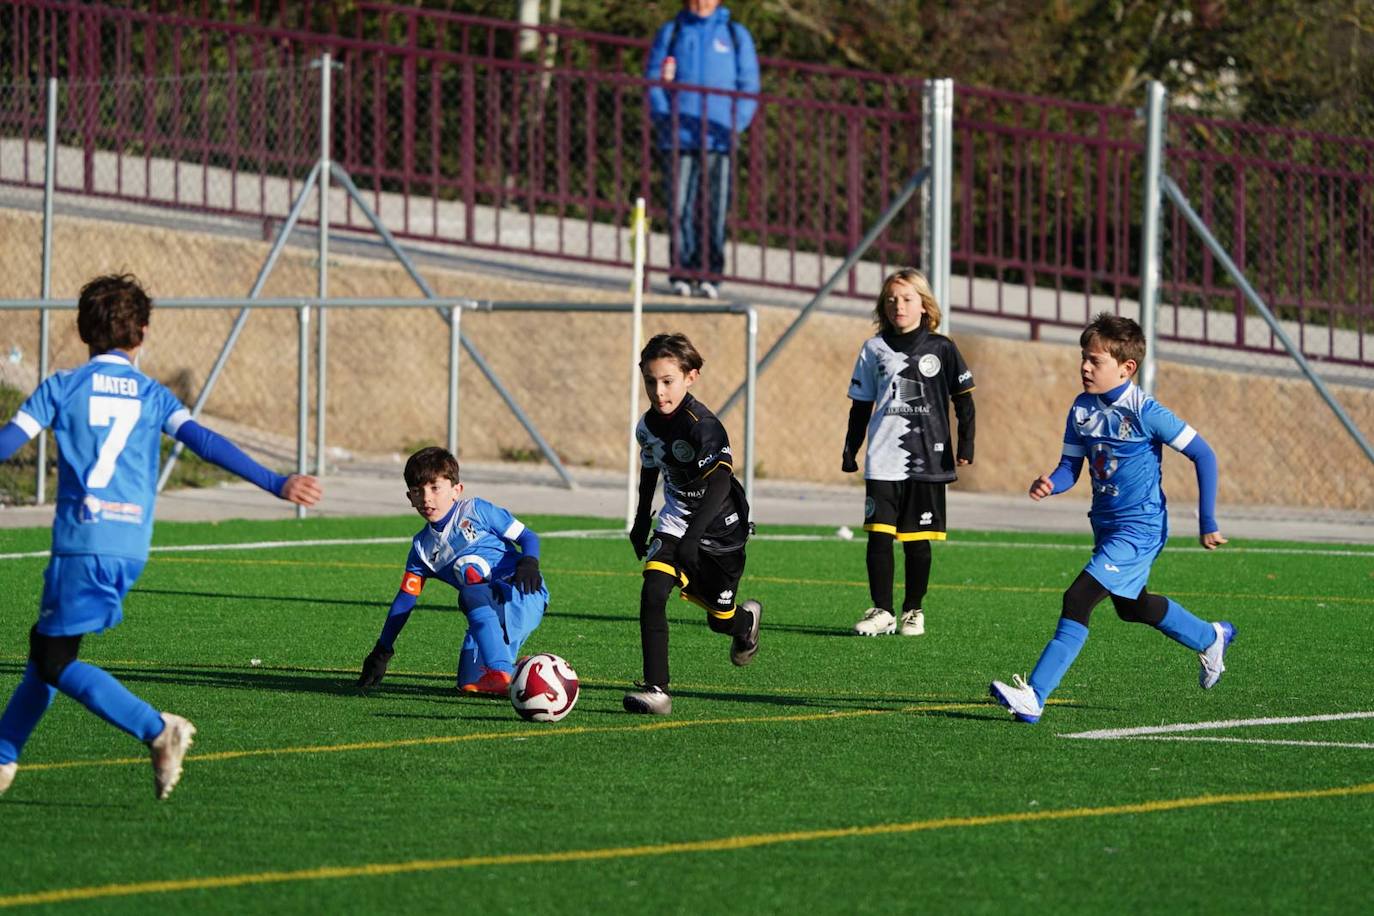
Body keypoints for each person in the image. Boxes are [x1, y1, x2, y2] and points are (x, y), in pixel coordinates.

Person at [0, 273, 321, 799]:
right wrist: (278, 482)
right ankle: (4, 755)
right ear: (142, 334)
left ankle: (157, 729)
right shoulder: (152, 394)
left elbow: (10, 441)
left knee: (55, 659)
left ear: (83, 331)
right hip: (131, 547)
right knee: (46, 648)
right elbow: (206, 442)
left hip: (83, 542)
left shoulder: (62, 386)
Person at [989, 312, 1235, 724]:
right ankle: (1210, 637)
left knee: (1077, 597)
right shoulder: (1081, 408)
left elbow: (1203, 454)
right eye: (1083, 358)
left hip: (1140, 528)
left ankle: (1035, 694)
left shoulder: (1146, 410)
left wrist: (1207, 520)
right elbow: (1071, 467)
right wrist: (1051, 482)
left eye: (1095, 361)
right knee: (1131, 606)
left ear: (1127, 367)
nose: (1085, 367)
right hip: (1105, 524)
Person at [625, 333, 761, 714]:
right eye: (651, 381)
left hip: (721, 530)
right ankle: (657, 690)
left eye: (667, 381)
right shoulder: (647, 425)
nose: (658, 391)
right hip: (676, 519)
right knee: (653, 591)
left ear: (691, 377)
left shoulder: (704, 426)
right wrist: (640, 521)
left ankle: (745, 622)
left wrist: (694, 537)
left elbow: (719, 483)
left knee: (721, 620)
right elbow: (651, 468)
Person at [842, 268, 975, 637]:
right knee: (878, 536)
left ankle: (913, 611)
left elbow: (963, 400)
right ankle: (881, 610)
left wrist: (966, 445)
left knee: (917, 542)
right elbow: (860, 406)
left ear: (924, 305)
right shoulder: (873, 349)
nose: (898, 306)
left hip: (928, 458)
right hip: (883, 458)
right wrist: (850, 449)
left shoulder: (942, 348)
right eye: (891, 299)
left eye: (906, 299)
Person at [356, 447, 548, 698]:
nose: (426, 498)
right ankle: (522, 669)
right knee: (468, 684)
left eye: (435, 488)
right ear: (410, 497)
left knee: (471, 595)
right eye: (418, 491)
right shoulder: (421, 550)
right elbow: (404, 601)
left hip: (521, 595)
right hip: (485, 616)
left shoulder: (476, 511)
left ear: (457, 490)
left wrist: (529, 563)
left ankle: (501, 670)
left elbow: (527, 536)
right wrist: (382, 650)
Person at [646, 0, 760, 300]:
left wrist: (734, 124)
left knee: (715, 208)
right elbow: (654, 81)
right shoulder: (671, 32)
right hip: (679, 137)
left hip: (718, 139)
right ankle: (681, 271)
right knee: (679, 206)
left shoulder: (735, 35)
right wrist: (665, 118)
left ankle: (711, 274)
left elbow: (749, 85)